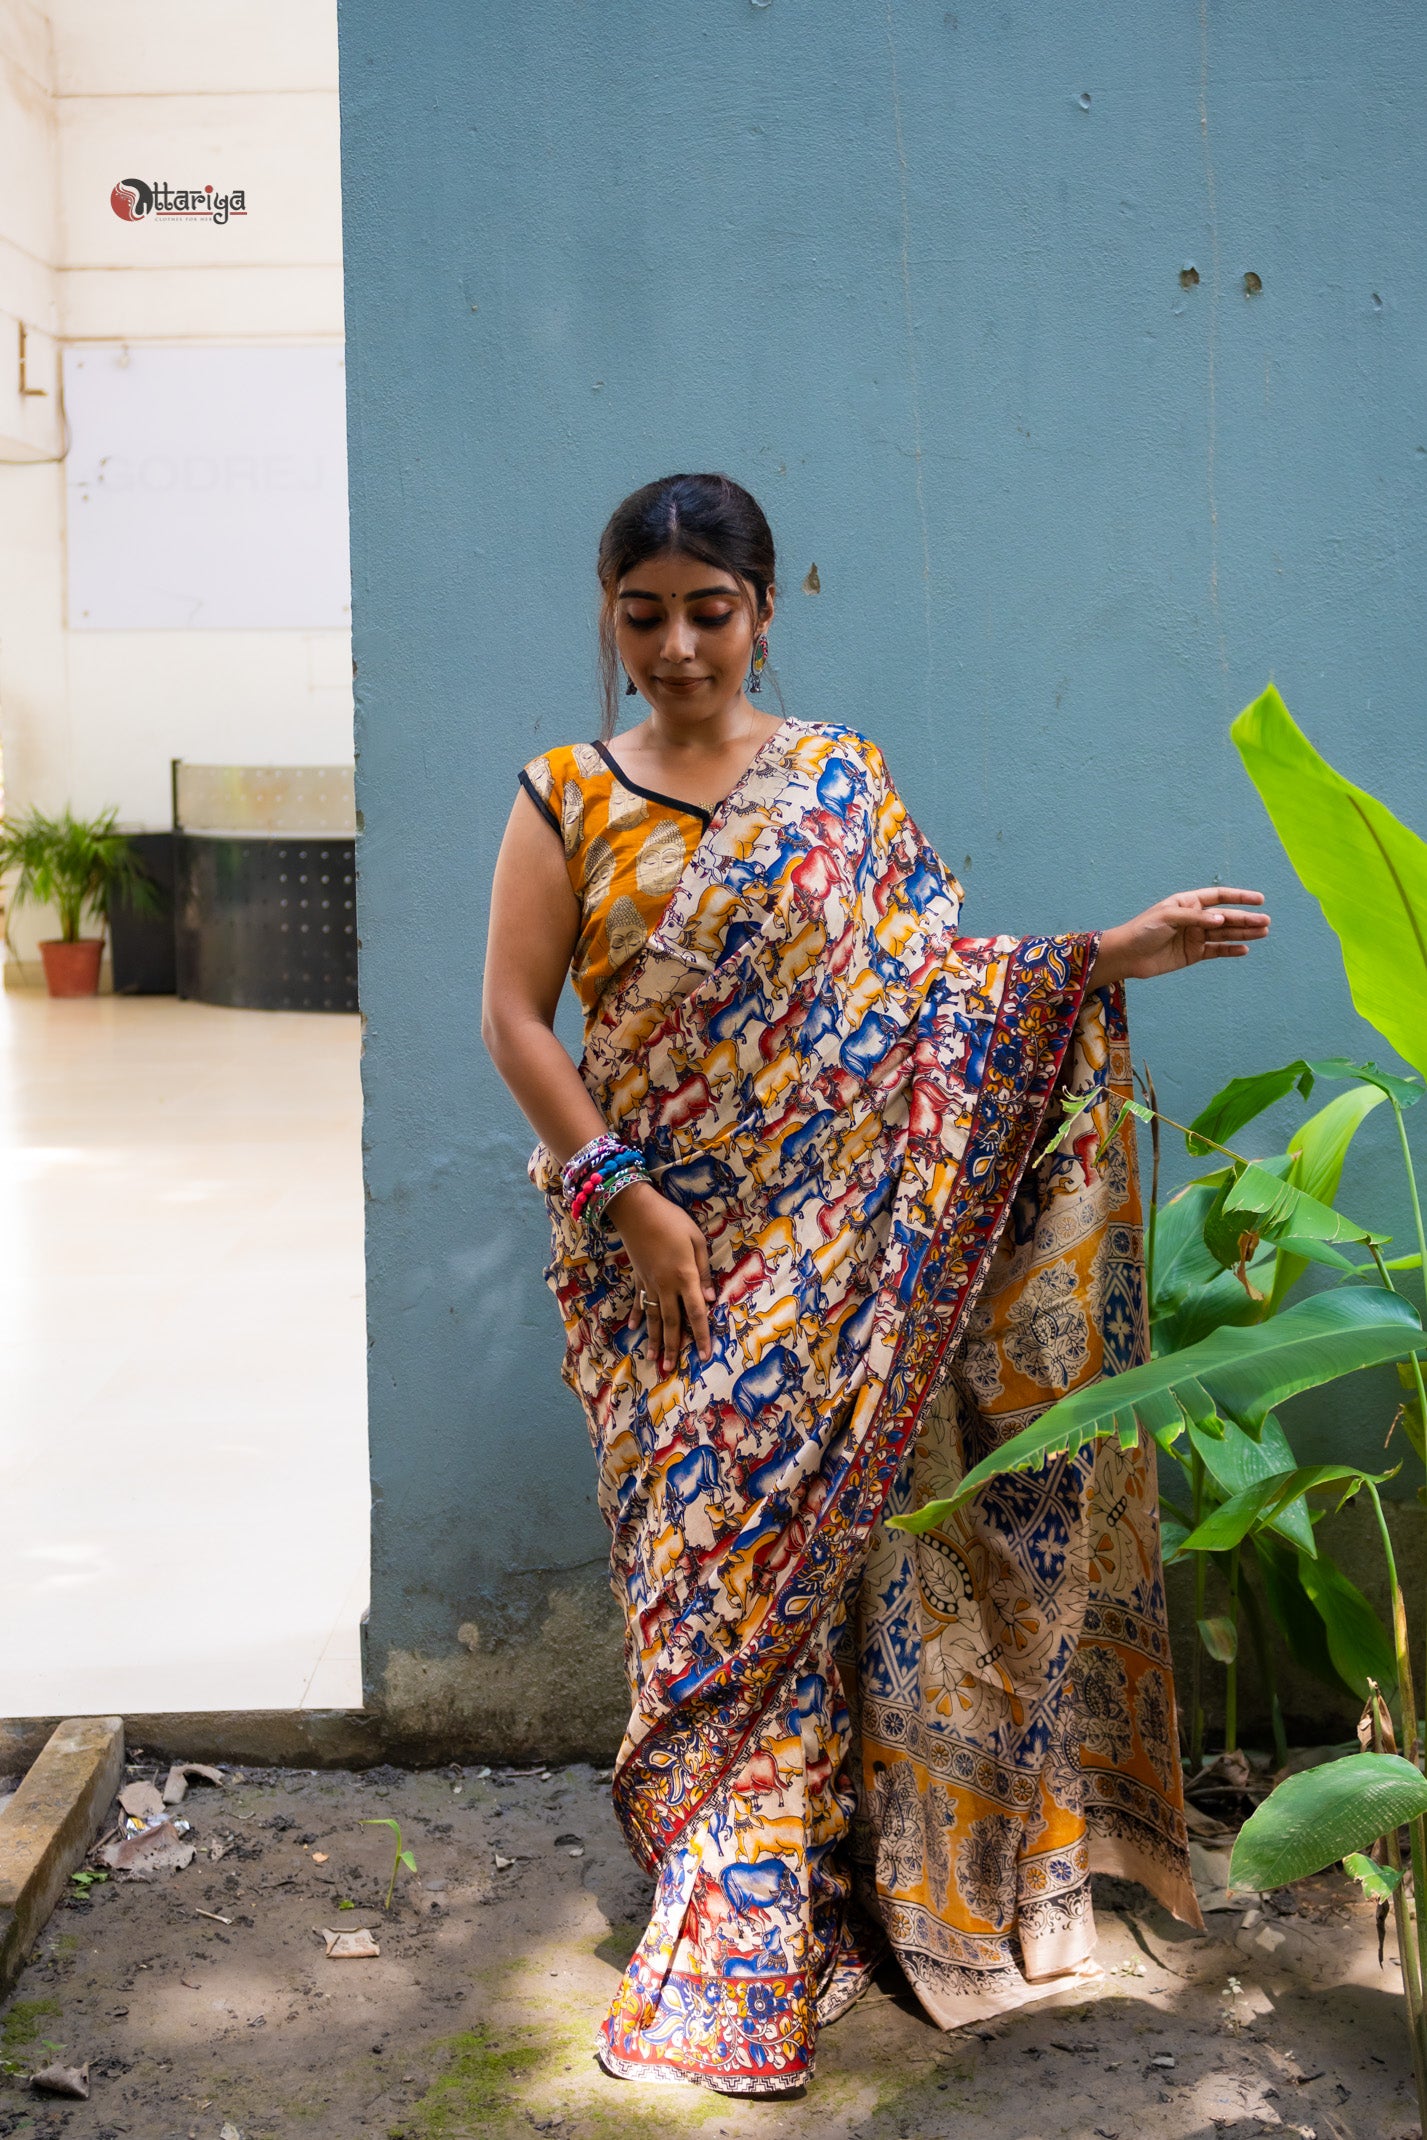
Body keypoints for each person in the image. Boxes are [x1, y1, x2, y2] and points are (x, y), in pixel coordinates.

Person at [482, 471, 1269, 2097]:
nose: (682, 647)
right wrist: (625, 1195)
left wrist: (1107, 956)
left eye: (713, 611)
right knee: (697, 1580)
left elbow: (928, 998)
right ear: (611, 618)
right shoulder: (565, 794)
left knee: (810, 1588)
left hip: (832, 1255)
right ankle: (729, 1883)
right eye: (647, 615)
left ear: (769, 611)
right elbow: (512, 1019)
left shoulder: (841, 784)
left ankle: (775, 1895)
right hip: (659, 1276)